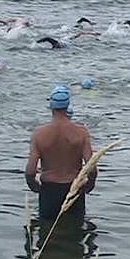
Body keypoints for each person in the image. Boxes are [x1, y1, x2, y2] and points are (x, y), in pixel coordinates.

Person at [25, 86, 97, 221]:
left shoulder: (39, 134)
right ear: (67, 105)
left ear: (51, 106)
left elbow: (30, 171)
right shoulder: (81, 132)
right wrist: (89, 184)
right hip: (74, 189)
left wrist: (34, 186)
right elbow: (91, 166)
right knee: (75, 231)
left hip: (49, 191)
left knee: (47, 232)